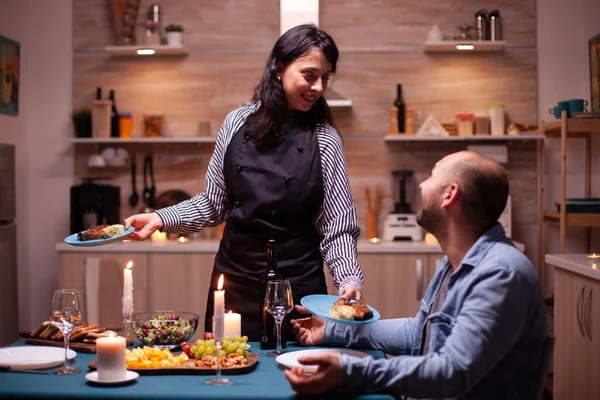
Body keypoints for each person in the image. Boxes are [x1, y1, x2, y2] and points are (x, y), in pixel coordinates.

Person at [124, 24, 363, 341]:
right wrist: (159, 218)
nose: (319, 87)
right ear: (279, 68)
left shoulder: (326, 139)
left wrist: (348, 278)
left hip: (299, 291)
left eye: (326, 77)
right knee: (225, 372)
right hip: (234, 283)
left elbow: (336, 225)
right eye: (309, 75)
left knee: (295, 377)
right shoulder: (236, 122)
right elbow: (213, 204)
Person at [284, 151, 547, 399]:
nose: (422, 185)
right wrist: (333, 330)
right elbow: (419, 333)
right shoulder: (453, 263)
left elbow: (452, 371)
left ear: (449, 195)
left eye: (432, 176)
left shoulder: (500, 274)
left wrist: (349, 371)